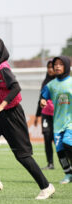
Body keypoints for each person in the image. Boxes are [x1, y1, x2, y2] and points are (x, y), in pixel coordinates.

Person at [0, 36, 55, 200]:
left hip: (11, 115)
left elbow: (16, 87)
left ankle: (46, 186)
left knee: (22, 155)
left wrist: (1, 105)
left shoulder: (3, 67)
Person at [41, 55, 72, 184]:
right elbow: (43, 96)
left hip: (70, 122)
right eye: (55, 64)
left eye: (60, 64)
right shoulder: (50, 85)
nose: (57, 66)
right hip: (58, 123)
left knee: (67, 143)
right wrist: (43, 101)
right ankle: (68, 174)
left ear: (66, 66)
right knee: (59, 151)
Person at [34, 60, 55, 170]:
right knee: (47, 137)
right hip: (45, 114)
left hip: (58, 115)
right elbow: (40, 99)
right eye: (48, 67)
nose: (50, 69)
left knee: (59, 140)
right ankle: (50, 163)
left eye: (52, 67)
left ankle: (66, 163)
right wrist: (37, 116)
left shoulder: (60, 82)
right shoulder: (45, 83)